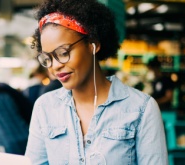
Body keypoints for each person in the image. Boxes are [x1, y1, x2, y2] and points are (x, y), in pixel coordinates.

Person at [25, 0, 168, 164]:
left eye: (63, 53)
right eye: (47, 58)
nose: (55, 66)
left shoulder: (141, 109)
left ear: (93, 45)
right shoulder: (45, 108)